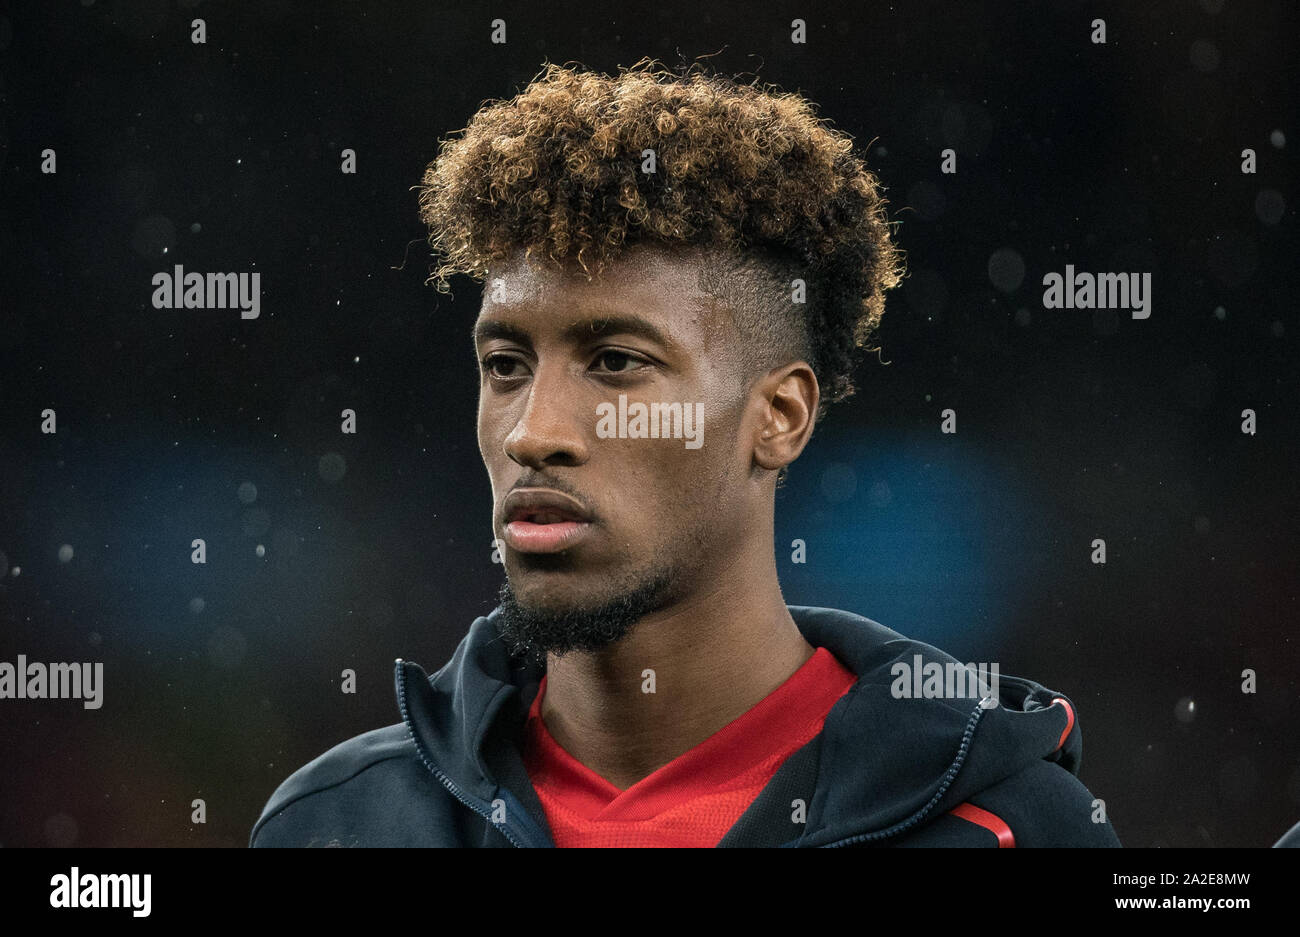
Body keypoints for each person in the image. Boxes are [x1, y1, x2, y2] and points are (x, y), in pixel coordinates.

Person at [251, 58, 1120, 848]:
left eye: (617, 362)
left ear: (778, 415)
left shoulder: (1007, 830)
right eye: (506, 365)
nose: (532, 432)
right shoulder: (333, 825)